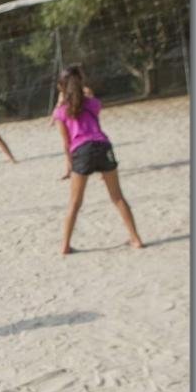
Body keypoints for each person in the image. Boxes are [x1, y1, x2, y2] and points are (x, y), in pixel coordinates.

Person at [52, 64, 144, 255]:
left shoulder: (61, 112)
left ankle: (65, 246)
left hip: (81, 151)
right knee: (117, 197)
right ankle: (135, 238)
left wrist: (69, 165)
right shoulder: (92, 103)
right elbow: (91, 107)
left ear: (61, 88)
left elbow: (66, 142)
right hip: (103, 146)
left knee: (75, 203)